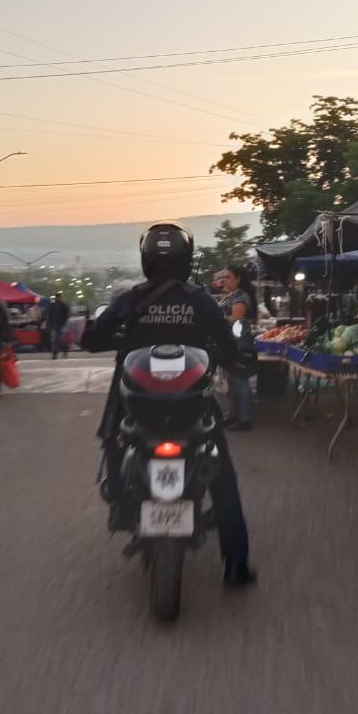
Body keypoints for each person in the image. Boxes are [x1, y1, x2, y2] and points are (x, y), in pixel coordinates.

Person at [82, 221, 256, 586]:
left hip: (137, 403)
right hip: (191, 405)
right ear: (186, 259)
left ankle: (118, 504)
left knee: (112, 435)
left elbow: (92, 338)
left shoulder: (131, 298)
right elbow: (226, 345)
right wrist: (230, 357)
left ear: (146, 259)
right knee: (223, 479)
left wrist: (111, 336)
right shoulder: (201, 299)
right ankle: (236, 565)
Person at [217, 265, 256, 430]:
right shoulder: (231, 296)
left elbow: (236, 318)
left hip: (240, 343)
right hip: (230, 343)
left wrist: (216, 320)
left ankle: (244, 420)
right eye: (223, 277)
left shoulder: (240, 297)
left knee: (241, 381)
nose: (224, 280)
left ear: (238, 278)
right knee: (232, 381)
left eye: (228, 277)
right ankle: (234, 415)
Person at [46, 291, 70, 360]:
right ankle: (54, 353)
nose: (57, 298)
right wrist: (48, 325)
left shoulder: (63, 305)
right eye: (57, 297)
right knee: (54, 339)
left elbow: (67, 314)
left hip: (61, 324)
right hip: (54, 324)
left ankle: (65, 349)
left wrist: (64, 321)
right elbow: (49, 316)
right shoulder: (51, 306)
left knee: (61, 338)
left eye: (58, 297)